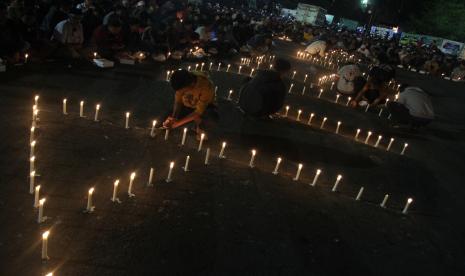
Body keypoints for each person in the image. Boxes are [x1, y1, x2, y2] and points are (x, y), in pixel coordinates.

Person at [163, 70, 216, 139]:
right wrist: (174, 117)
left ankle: (197, 125)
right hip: (187, 106)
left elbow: (198, 112)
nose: (180, 92)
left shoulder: (206, 87)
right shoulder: (181, 82)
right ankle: (193, 122)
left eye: (183, 90)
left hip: (206, 108)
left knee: (210, 119)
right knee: (165, 121)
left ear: (191, 85)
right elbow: (178, 102)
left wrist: (177, 124)